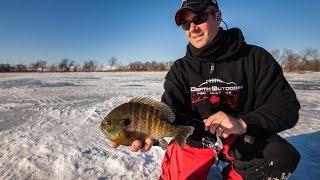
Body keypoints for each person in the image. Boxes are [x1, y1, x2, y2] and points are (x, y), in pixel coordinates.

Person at [111, 0, 301, 179]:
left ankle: (232, 171)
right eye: (185, 24)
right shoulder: (180, 69)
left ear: (217, 16)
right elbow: (170, 112)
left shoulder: (255, 58)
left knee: (281, 157)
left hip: (241, 140)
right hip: (195, 139)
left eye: (199, 18)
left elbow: (286, 107)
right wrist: (148, 132)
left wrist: (242, 123)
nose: (192, 28)